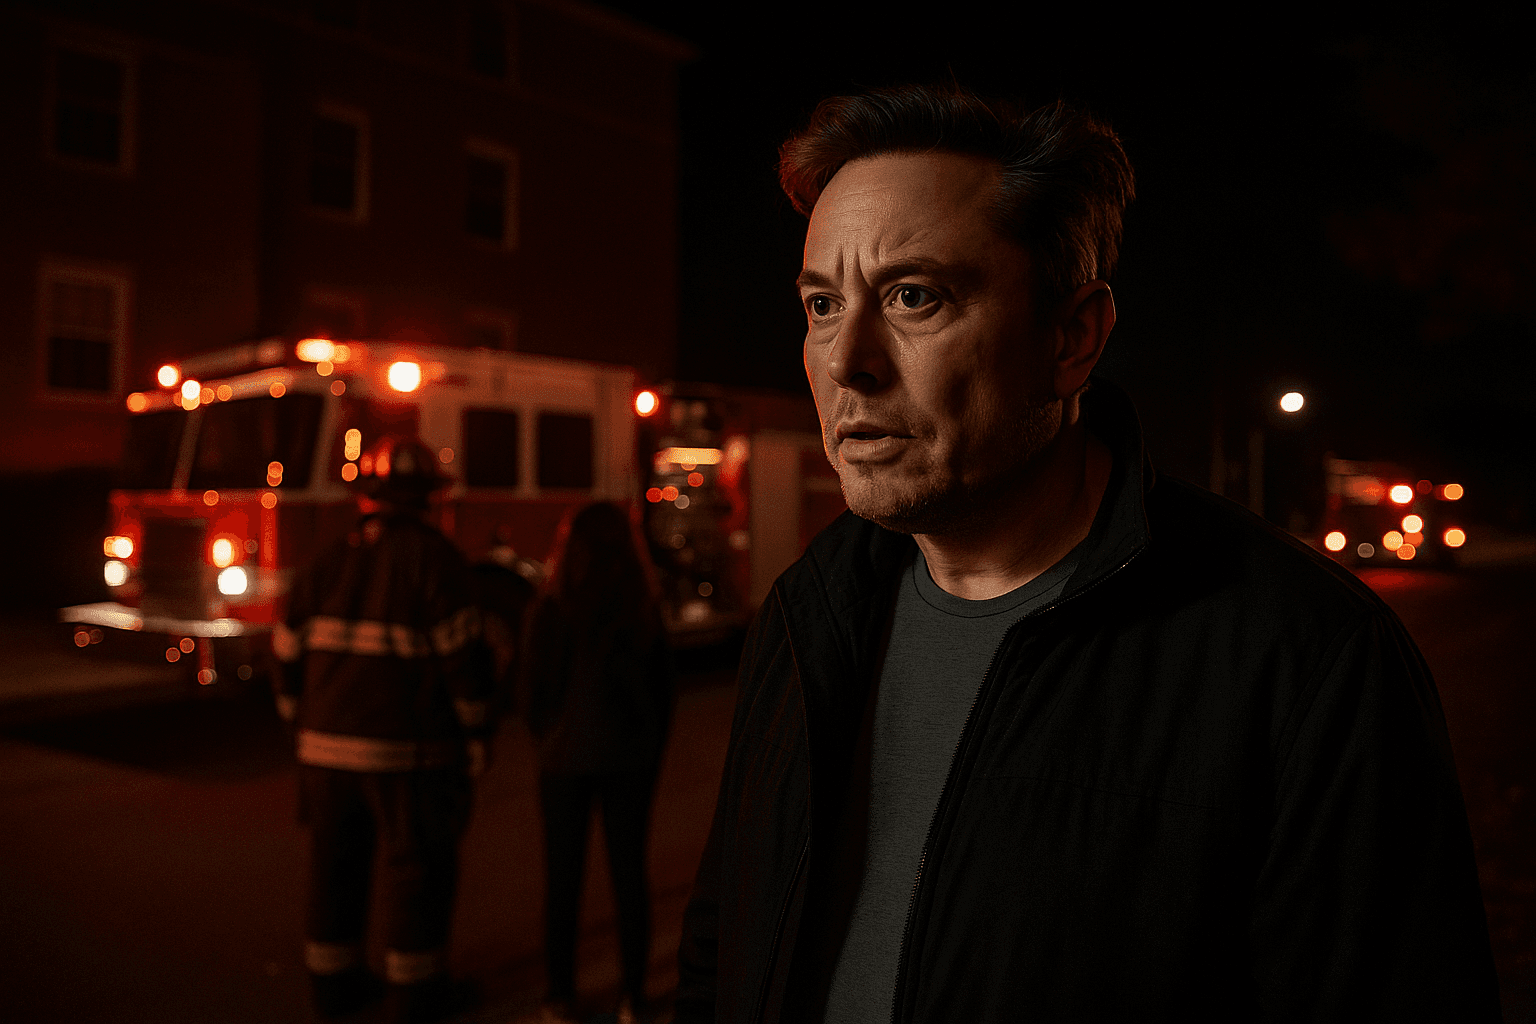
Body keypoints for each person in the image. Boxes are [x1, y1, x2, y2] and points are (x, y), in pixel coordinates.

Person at [674, 84, 1500, 1023]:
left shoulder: (1306, 659)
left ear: (1072, 338)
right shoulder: (807, 615)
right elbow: (720, 952)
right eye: (823, 304)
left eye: (914, 297)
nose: (844, 360)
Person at [273, 436, 488, 1024]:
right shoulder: (437, 560)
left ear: (365, 496)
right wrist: (475, 737)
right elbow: (463, 663)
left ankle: (333, 988)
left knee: (333, 869)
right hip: (406, 756)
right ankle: (416, 997)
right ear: (426, 498)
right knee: (415, 874)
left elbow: (286, 650)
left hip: (322, 753)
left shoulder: (325, 559)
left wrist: (298, 721)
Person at [524, 501, 673, 1024]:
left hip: (563, 761)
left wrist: (547, 738)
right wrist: (649, 749)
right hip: (628, 760)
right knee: (629, 875)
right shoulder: (641, 609)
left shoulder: (552, 607)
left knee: (562, 880)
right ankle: (632, 995)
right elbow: (661, 695)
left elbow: (532, 692)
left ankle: (558, 995)